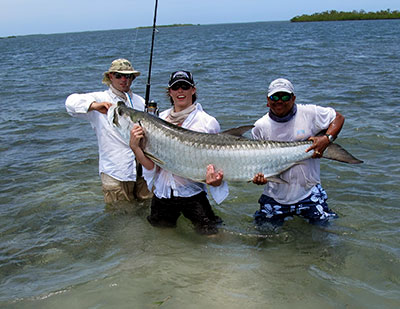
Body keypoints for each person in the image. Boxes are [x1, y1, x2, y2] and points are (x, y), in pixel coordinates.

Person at [129, 71, 229, 235]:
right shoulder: (158, 119)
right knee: (161, 239)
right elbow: (152, 165)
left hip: (193, 193)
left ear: (193, 90)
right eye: (175, 87)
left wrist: (216, 180)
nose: (180, 91)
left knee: (211, 236)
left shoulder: (207, 122)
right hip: (163, 195)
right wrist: (136, 148)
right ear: (170, 92)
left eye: (185, 86)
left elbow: (218, 161)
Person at [252, 78, 345, 227]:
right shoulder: (260, 127)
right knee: (263, 238)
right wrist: (257, 177)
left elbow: (338, 118)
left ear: (293, 98)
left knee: (325, 235)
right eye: (275, 97)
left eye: (285, 96)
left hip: (308, 192)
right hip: (275, 195)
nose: (279, 101)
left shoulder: (309, 113)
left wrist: (326, 140)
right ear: (267, 101)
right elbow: (257, 164)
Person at [65, 58, 152, 204]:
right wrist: (94, 106)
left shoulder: (140, 102)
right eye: (119, 75)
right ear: (110, 76)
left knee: (147, 210)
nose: (124, 79)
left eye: (128, 76)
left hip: (143, 170)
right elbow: (70, 103)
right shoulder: (100, 98)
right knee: (120, 217)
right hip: (115, 171)